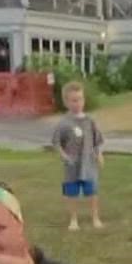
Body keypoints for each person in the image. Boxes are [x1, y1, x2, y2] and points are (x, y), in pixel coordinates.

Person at [51, 81, 105, 230]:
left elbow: (97, 140)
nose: (78, 103)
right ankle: (73, 220)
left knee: (92, 192)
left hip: (89, 165)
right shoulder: (63, 123)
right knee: (71, 194)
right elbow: (56, 142)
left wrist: (99, 154)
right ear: (66, 102)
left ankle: (95, 218)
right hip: (72, 166)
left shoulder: (90, 121)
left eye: (80, 99)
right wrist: (64, 156)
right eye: (74, 100)